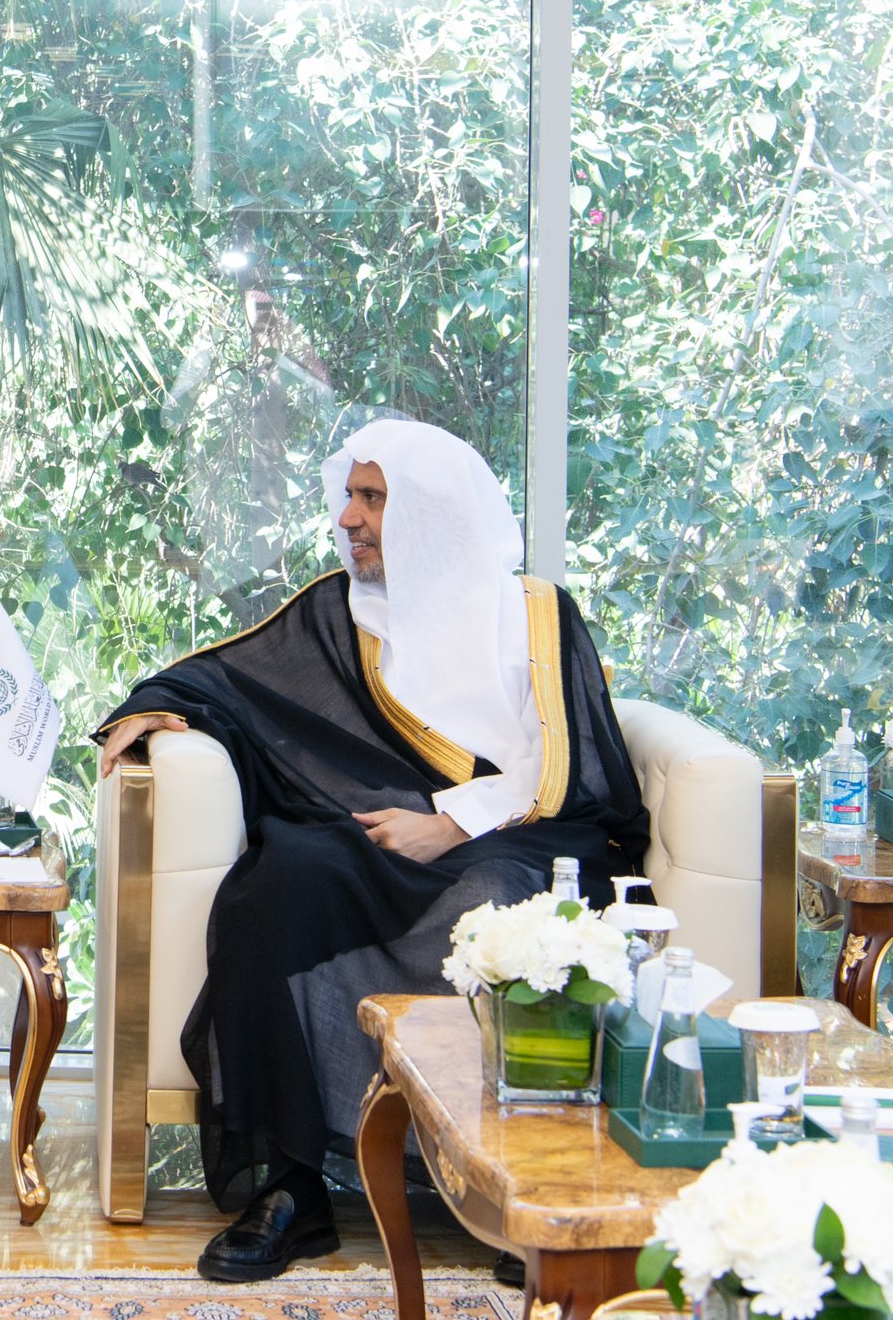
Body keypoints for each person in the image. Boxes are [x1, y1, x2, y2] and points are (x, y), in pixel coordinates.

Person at [96, 419, 648, 1284]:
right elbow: (228, 679)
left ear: (431, 514)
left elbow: (569, 763)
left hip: (514, 834)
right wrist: (154, 707)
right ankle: (290, 1184)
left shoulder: (535, 616)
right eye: (348, 496)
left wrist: (452, 822)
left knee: (497, 906)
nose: (347, 519)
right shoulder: (338, 615)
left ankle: (514, 1187)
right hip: (376, 836)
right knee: (279, 884)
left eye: (373, 499)